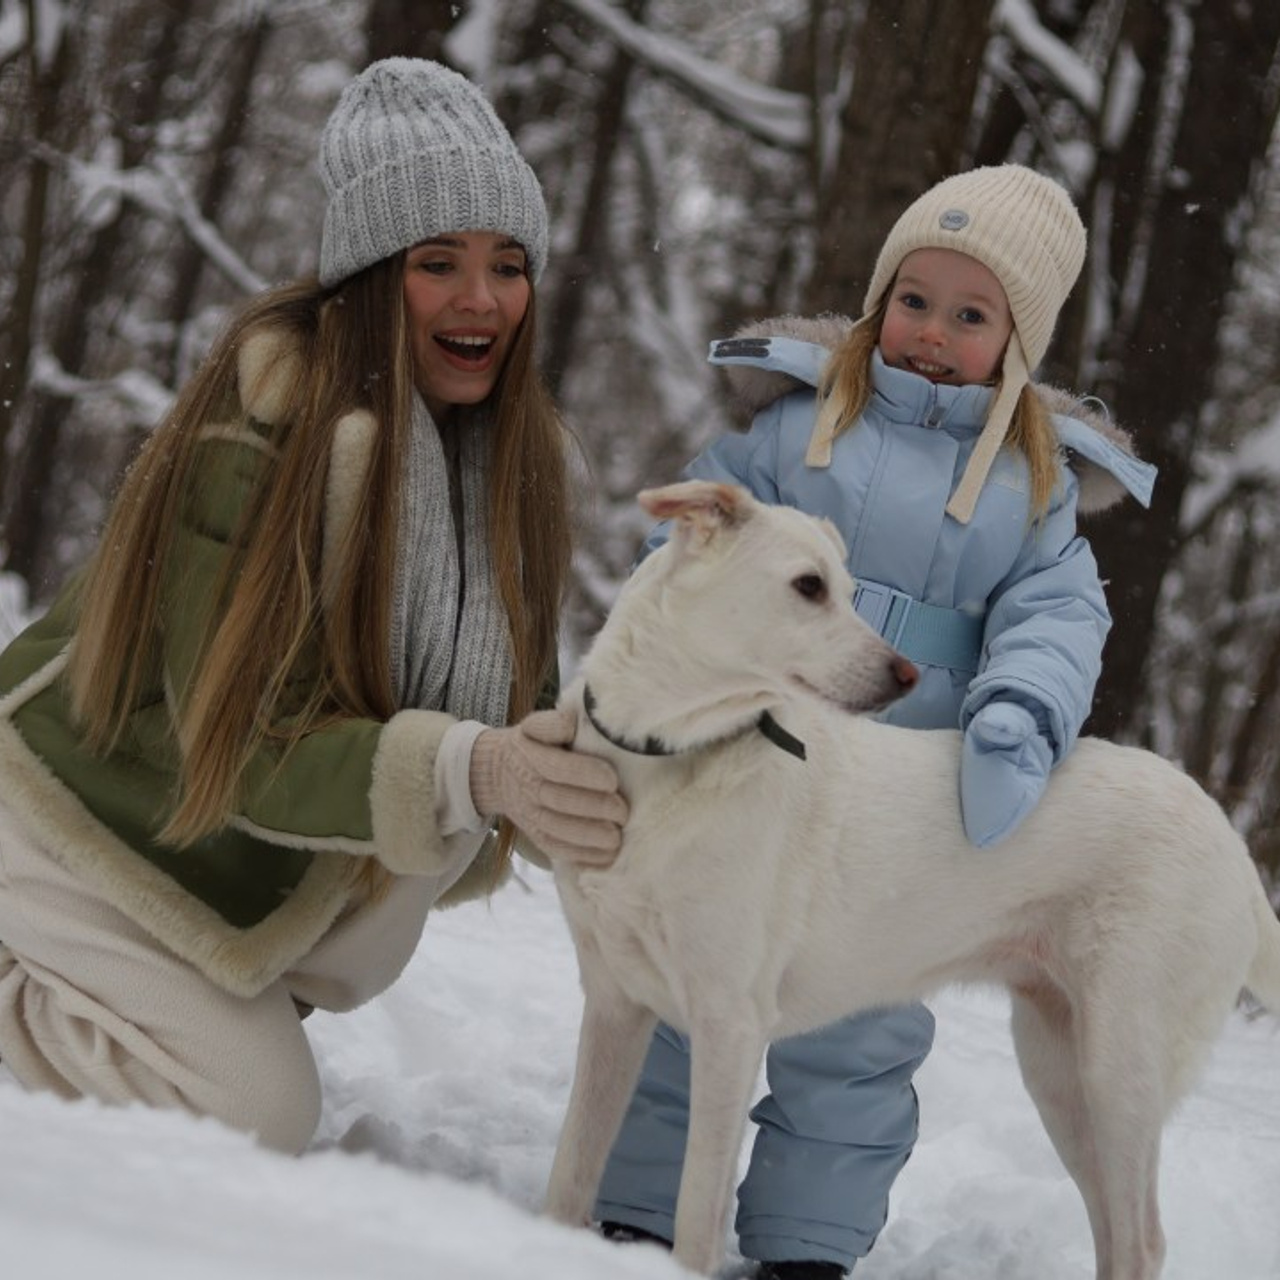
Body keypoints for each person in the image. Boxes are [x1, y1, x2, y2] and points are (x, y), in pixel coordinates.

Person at [0, 57, 627, 1153]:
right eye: (438, 262)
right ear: (375, 276)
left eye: (508, 264)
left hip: (196, 869)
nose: (482, 299)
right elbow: (241, 742)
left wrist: (613, 786)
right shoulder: (265, 428)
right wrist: (476, 768)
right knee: (251, 1116)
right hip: (69, 824)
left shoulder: (501, 466)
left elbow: (518, 727)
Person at [594, 165, 1157, 1278]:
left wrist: (1017, 711)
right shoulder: (798, 428)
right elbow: (698, 537)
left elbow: (1057, 614)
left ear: (1017, 344)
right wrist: (672, 601)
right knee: (687, 983)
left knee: (861, 1027)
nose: (932, 333)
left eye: (971, 316)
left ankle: (805, 1242)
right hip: (746, 765)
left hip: (899, 799)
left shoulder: (1031, 483)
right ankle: (641, 1209)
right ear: (876, 301)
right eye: (913, 300)